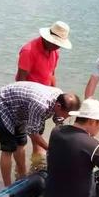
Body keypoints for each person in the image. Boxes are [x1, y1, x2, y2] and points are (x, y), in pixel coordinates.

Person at [0, 81, 81, 186]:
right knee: (8, 148)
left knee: (21, 143)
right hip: (3, 103)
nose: (69, 117)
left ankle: (22, 177)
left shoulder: (59, 97)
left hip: (20, 108)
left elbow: (58, 120)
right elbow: (33, 133)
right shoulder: (40, 105)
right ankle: (6, 187)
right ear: (58, 106)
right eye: (68, 114)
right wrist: (50, 149)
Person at [15, 21, 72, 160]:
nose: (59, 47)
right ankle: (21, 174)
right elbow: (21, 80)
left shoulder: (54, 52)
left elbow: (51, 75)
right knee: (20, 141)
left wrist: (57, 97)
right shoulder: (28, 50)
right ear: (48, 38)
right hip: (27, 100)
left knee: (37, 135)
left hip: (44, 101)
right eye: (57, 43)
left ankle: (37, 165)